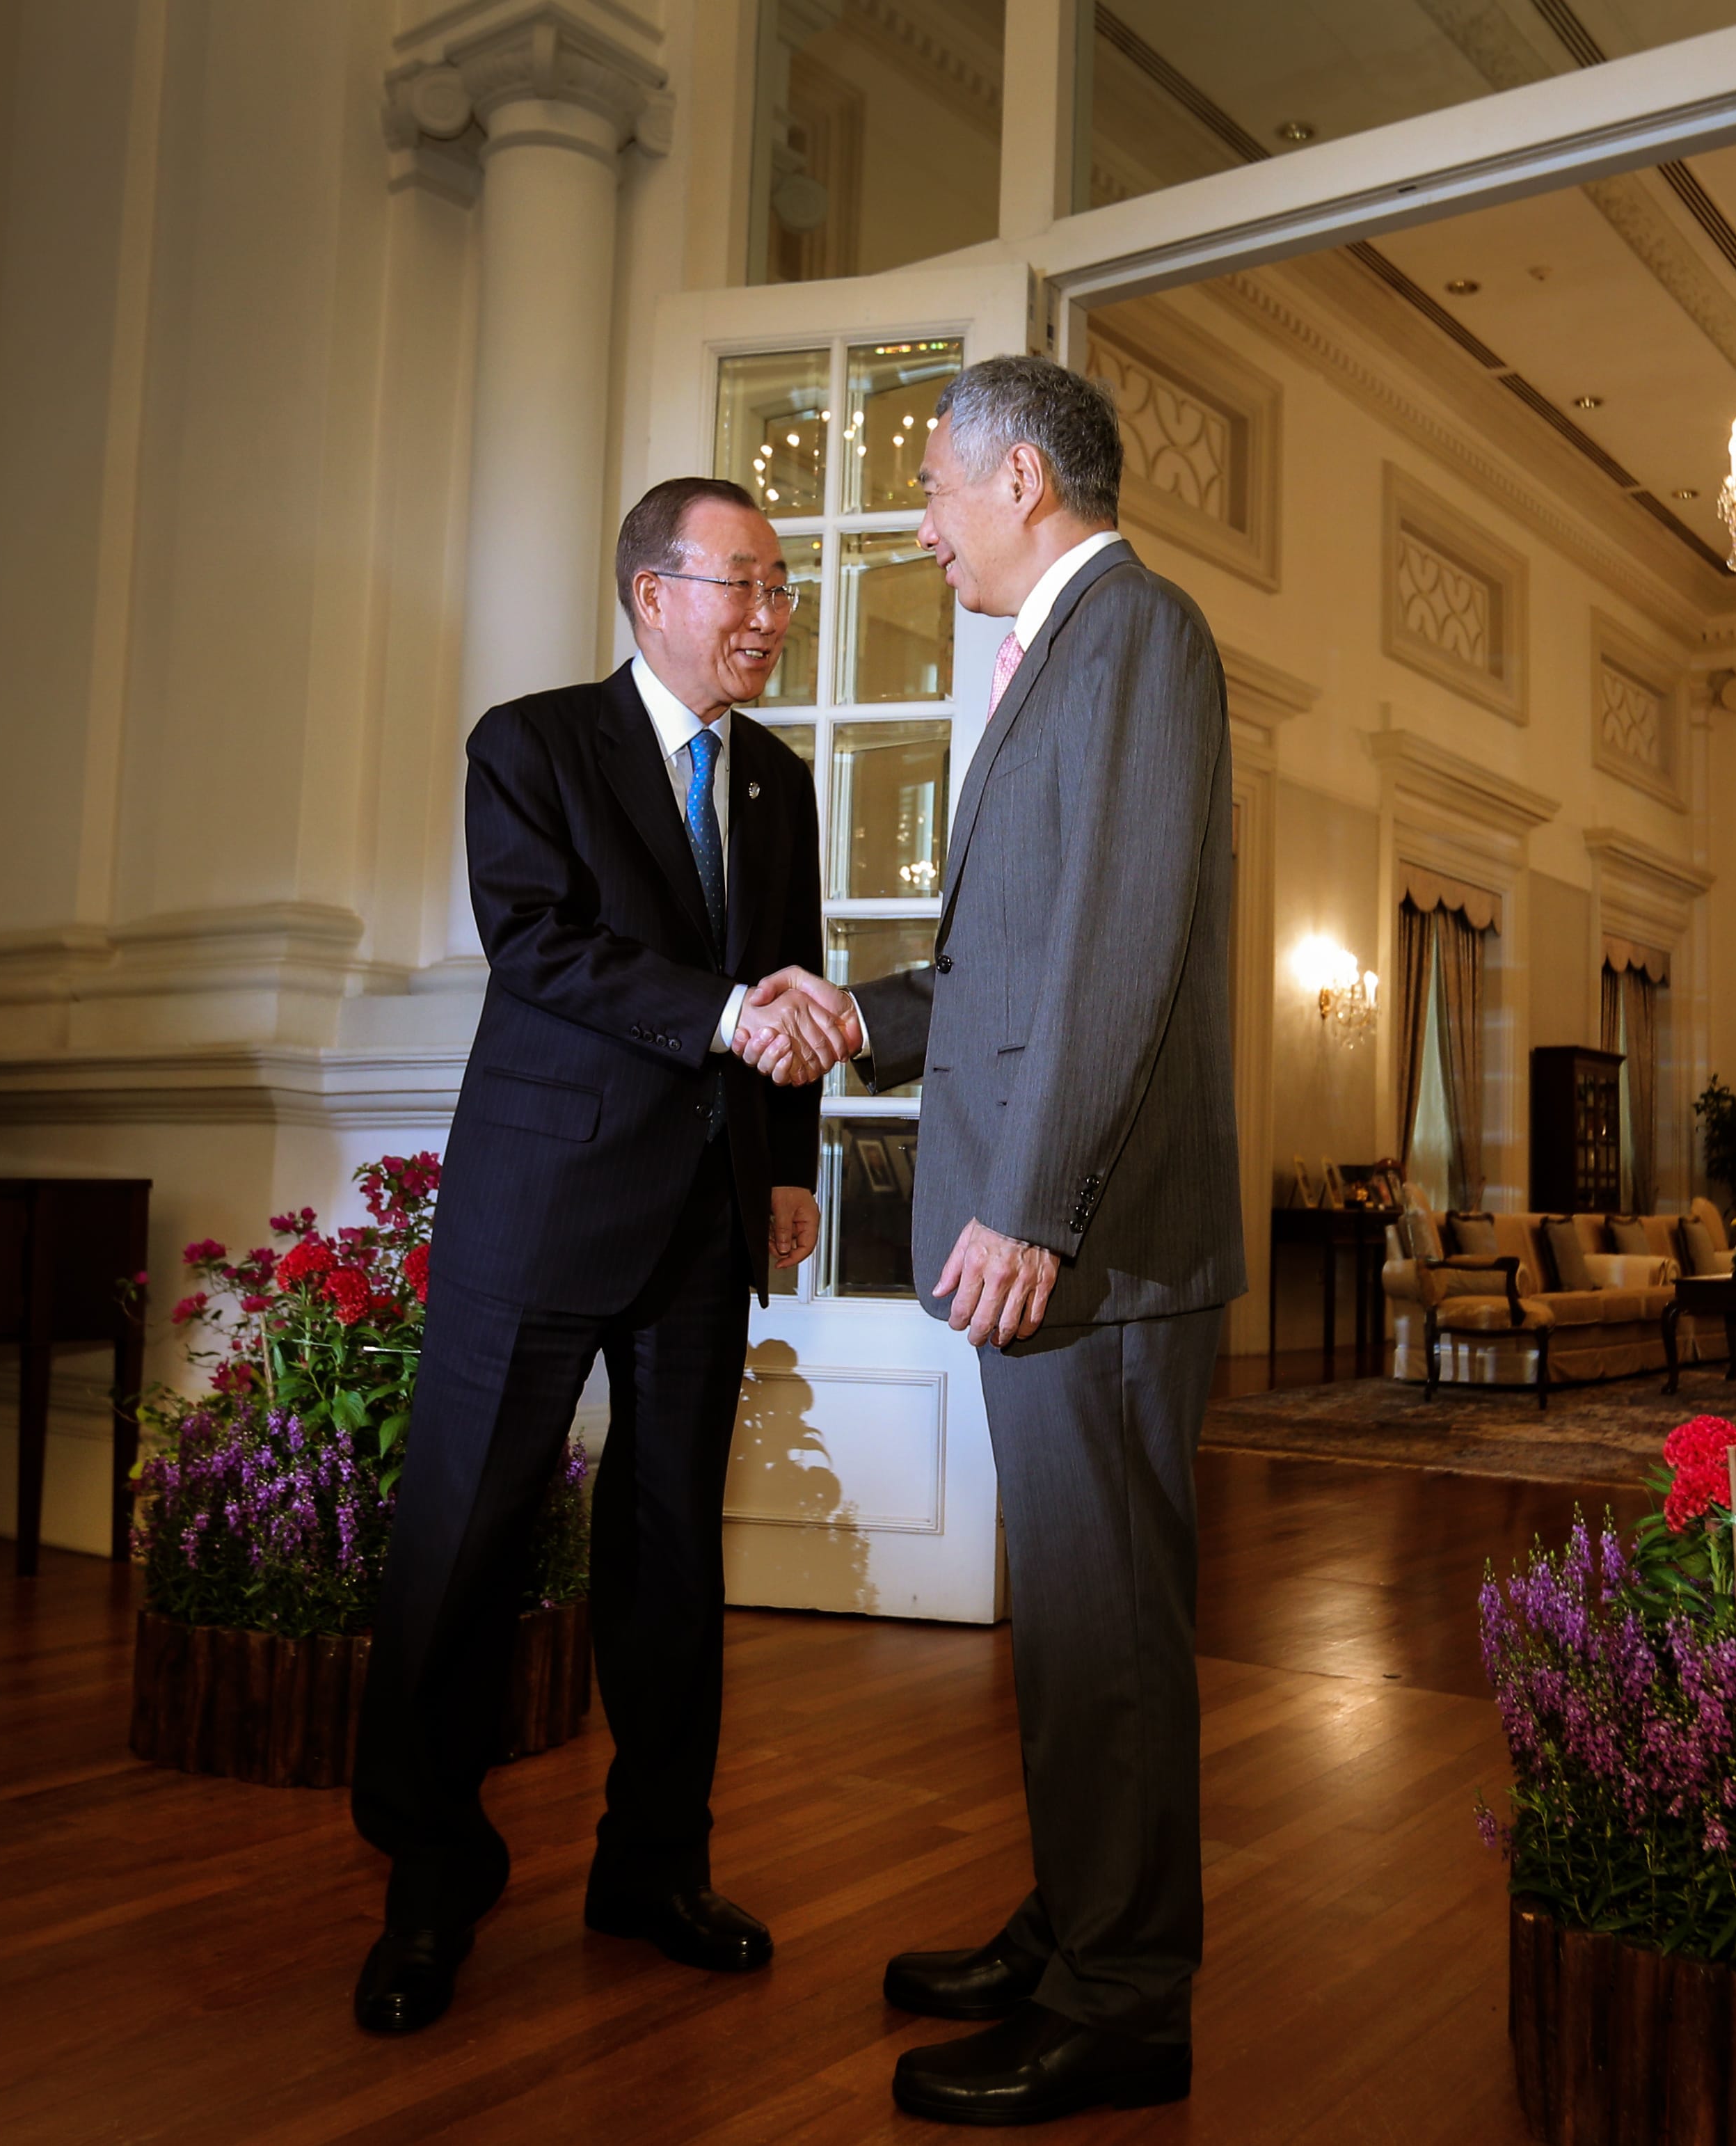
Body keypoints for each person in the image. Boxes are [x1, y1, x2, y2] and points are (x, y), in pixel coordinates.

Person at [741, 355, 1246, 2127]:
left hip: (1092, 1242)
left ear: (1023, 477)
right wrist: (855, 1011)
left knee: (1106, 1630)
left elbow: (1115, 947)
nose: (925, 526)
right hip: (1063, 1233)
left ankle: (1123, 2002)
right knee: (1074, 1630)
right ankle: (1080, 1919)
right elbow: (1009, 969)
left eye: (940, 491)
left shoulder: (1138, 636)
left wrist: (1031, 1205)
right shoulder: (1065, 659)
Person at [348, 476, 833, 2037]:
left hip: (705, 1214)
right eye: (743, 584)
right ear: (651, 593)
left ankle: (654, 1865)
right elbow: (539, 943)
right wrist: (716, 1019)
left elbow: (796, 983)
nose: (769, 614)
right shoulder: (531, 743)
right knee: (466, 1546)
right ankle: (431, 1880)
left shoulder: (782, 784)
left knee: (673, 1551)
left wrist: (788, 1166)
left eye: (780, 589)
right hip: (541, 1205)